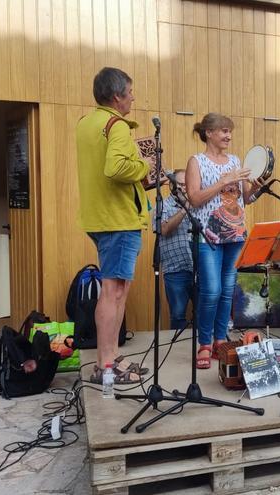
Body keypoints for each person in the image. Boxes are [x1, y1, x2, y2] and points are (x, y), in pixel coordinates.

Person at [76, 67, 149, 384]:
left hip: (98, 217)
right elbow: (116, 167)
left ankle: (112, 357)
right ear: (117, 95)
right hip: (118, 219)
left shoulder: (86, 123)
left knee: (116, 290)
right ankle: (106, 365)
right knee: (113, 292)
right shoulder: (115, 125)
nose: (133, 97)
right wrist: (146, 164)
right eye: (130, 91)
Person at [185, 113, 264, 369]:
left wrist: (255, 189)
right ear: (208, 133)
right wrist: (222, 181)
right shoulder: (196, 162)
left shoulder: (235, 160)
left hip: (235, 234)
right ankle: (205, 343)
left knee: (228, 291)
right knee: (211, 291)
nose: (228, 136)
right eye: (223, 131)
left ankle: (220, 340)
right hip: (208, 235)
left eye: (230, 131)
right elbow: (195, 199)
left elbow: (243, 199)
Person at [158, 169, 194, 336]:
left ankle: (201, 348)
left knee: (204, 314)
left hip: (199, 269)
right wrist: (184, 209)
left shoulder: (198, 204)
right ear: (172, 186)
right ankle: (178, 353)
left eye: (187, 184)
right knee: (178, 315)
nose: (185, 188)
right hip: (175, 270)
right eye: (181, 184)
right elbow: (164, 229)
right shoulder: (163, 205)